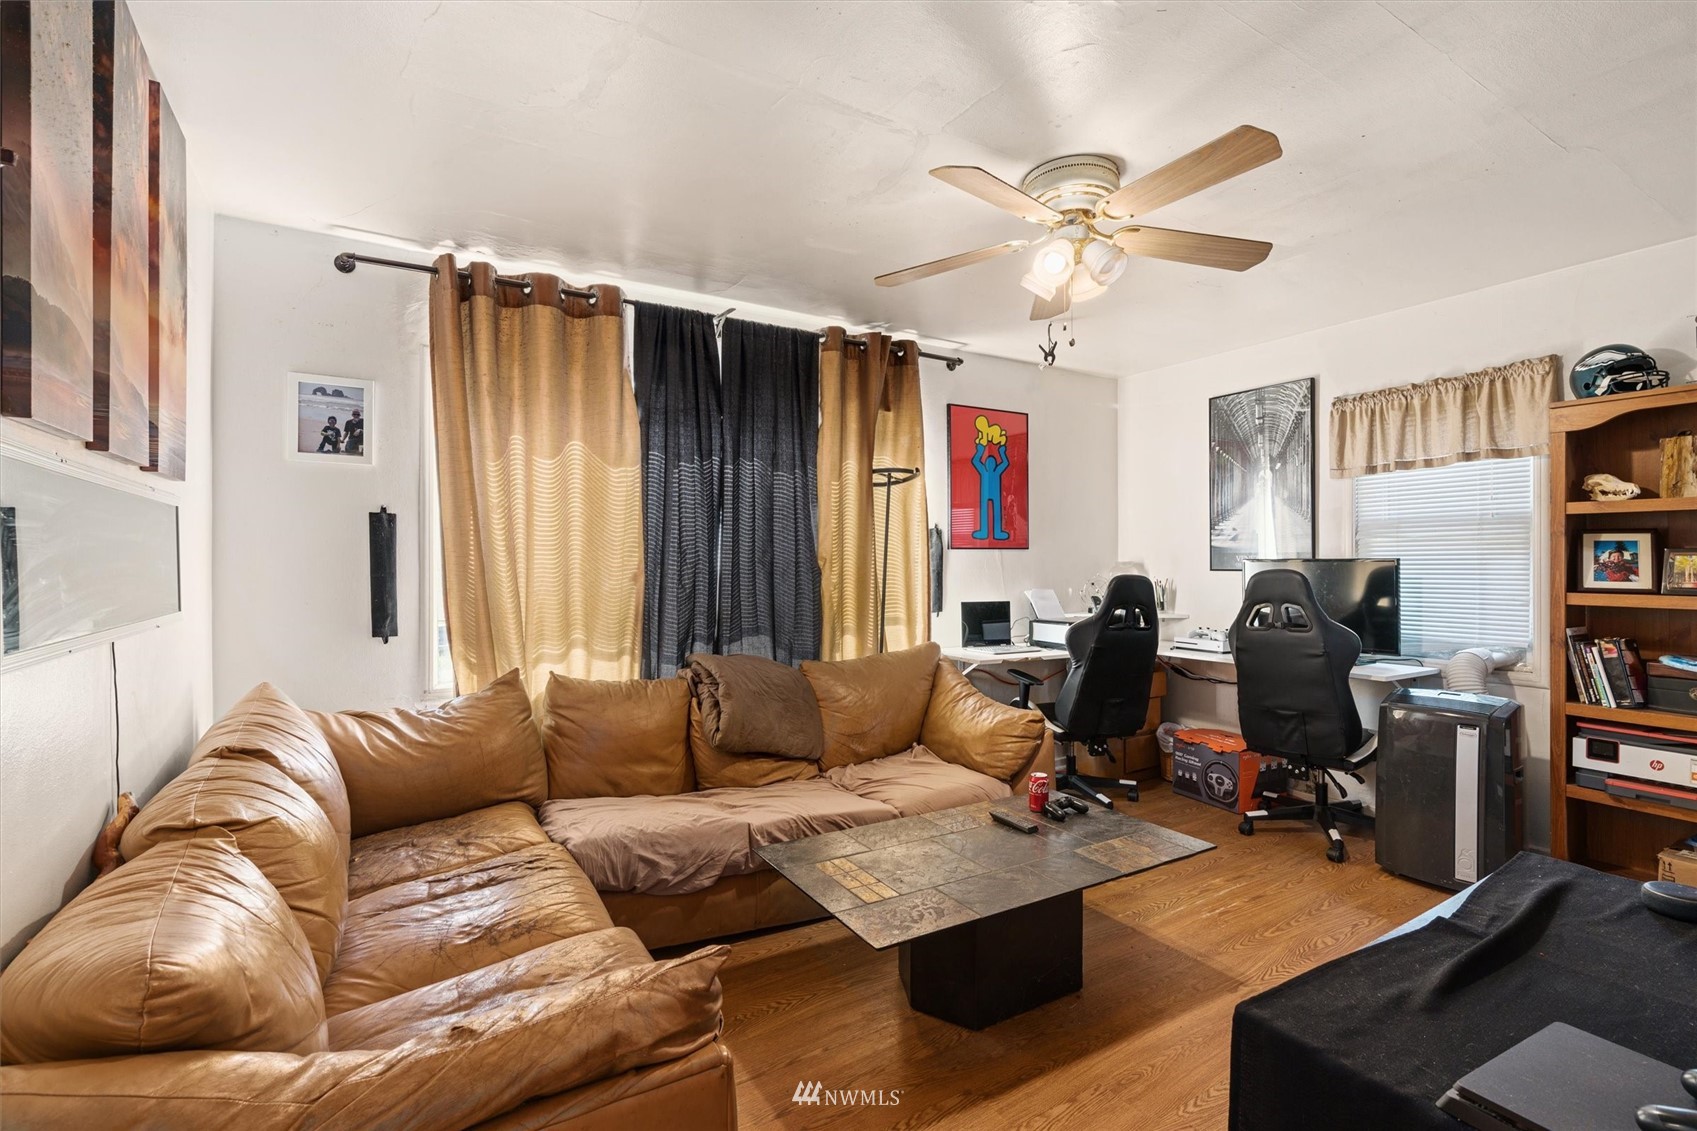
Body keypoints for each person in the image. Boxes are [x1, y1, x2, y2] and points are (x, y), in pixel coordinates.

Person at [970, 414, 1011, 541]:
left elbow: (1005, 463)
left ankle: (998, 532)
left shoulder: (996, 471)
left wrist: (1002, 452)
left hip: (995, 494)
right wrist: (980, 451)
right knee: (984, 511)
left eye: (992, 461)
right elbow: (975, 461)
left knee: (997, 511)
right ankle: (984, 532)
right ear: (986, 463)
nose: (990, 462)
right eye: (988, 461)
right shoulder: (984, 471)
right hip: (985, 494)